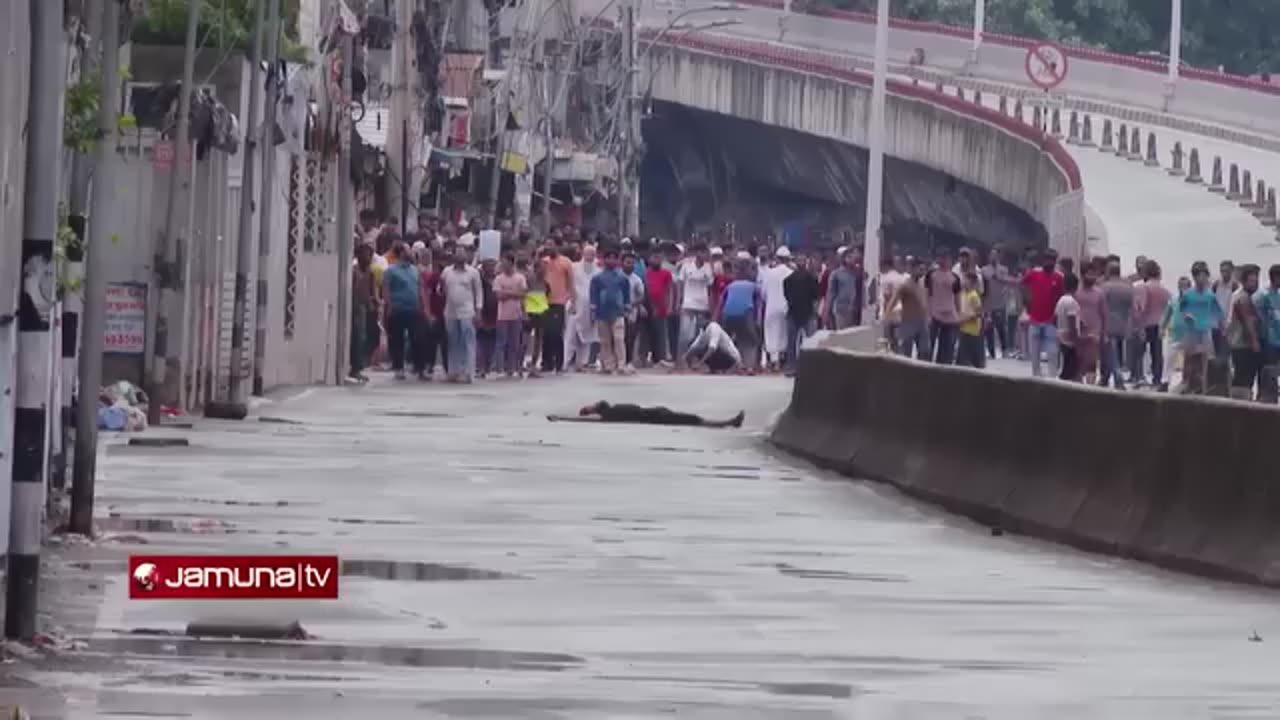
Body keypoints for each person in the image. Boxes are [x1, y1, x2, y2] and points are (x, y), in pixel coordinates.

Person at [1178, 261, 1224, 395]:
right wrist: (1187, 315)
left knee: (1206, 360)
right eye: (1199, 276)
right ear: (1194, 277)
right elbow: (1181, 309)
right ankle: (1187, 383)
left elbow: (1218, 312)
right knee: (1190, 360)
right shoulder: (1188, 294)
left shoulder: (1210, 295)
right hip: (1191, 331)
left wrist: (1222, 327)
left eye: (1204, 276)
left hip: (1205, 331)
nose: (1202, 279)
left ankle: (1203, 386)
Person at [440, 249, 483, 383]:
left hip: (467, 311)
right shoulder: (447, 271)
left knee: (468, 341)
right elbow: (440, 290)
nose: (460, 258)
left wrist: (478, 311)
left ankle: (468, 372)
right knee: (453, 342)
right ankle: (453, 371)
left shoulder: (473, 273)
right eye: (457, 255)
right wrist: (440, 287)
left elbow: (479, 293)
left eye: (462, 256)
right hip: (450, 311)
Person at [548, 400, 745, 428]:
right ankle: (727, 423)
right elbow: (580, 420)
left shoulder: (607, 408)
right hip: (654, 417)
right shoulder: (607, 416)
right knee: (692, 420)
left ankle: (727, 423)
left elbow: (599, 404)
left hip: (655, 412)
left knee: (690, 418)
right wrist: (561, 418)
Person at [382, 242, 421, 380]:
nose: (410, 253)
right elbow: (386, 290)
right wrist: (389, 306)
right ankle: (398, 367)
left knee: (416, 338)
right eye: (407, 250)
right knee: (396, 340)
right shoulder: (390, 271)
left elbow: (419, 288)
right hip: (397, 309)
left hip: (413, 309)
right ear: (401, 253)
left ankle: (417, 366)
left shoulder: (415, 270)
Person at [589, 247, 632, 374]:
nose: (611, 260)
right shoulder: (597, 278)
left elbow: (626, 295)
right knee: (605, 340)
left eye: (614, 258)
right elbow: (593, 295)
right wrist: (593, 310)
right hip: (602, 312)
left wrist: (627, 308)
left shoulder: (622, 278)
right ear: (604, 260)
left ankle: (621, 365)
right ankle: (608, 365)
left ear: (618, 260)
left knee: (619, 339)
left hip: (618, 312)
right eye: (609, 258)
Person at [1022, 251, 1064, 377]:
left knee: (1052, 354)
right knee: (1034, 356)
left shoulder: (1059, 277)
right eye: (1047, 259)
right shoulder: (1035, 273)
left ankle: (1052, 380)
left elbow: (1061, 297)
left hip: (1050, 322)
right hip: (1034, 320)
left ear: (1055, 261)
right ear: (1043, 260)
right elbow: (1022, 284)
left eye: (1052, 260)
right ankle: (1037, 378)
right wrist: (1026, 303)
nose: (1049, 262)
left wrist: (1057, 316)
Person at [1227, 264, 1263, 401]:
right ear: (1244, 281)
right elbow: (1247, 321)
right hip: (1243, 343)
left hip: (1237, 342)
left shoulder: (1239, 295)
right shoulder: (1243, 298)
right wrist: (1255, 341)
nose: (1255, 284)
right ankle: (1241, 404)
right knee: (1244, 376)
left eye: (1256, 280)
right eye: (1252, 281)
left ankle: (1239, 402)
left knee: (1241, 375)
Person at [718, 265, 762, 373]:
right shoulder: (754, 286)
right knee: (752, 340)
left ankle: (730, 366)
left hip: (728, 314)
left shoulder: (730, 285)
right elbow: (759, 304)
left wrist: (717, 318)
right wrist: (758, 320)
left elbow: (721, 301)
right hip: (745, 313)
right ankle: (750, 367)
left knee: (734, 340)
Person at [1134, 260, 1170, 390]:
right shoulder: (1165, 290)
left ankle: (1139, 377)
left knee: (1139, 353)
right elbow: (1168, 309)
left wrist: (1138, 324)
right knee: (1157, 353)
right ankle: (1157, 379)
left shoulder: (1142, 288)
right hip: (1159, 324)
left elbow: (1140, 308)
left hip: (1145, 323)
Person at [783, 253, 821, 376]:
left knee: (810, 342)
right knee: (793, 342)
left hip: (807, 312)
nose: (801, 262)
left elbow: (816, 296)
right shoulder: (788, 279)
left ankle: (809, 367)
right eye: (799, 260)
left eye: (803, 260)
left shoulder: (811, 278)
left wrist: (815, 312)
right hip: (795, 313)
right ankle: (792, 367)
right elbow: (788, 296)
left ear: (806, 262)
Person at [676, 244, 715, 364]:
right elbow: (680, 284)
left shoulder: (708, 268)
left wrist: (711, 307)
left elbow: (710, 289)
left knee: (699, 337)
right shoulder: (686, 267)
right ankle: (680, 361)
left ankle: (695, 360)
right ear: (697, 253)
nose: (704, 255)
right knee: (684, 335)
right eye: (702, 252)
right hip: (688, 304)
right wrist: (678, 301)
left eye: (706, 253)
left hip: (702, 306)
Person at [1099, 260, 1135, 389]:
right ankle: (1105, 377)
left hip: (1109, 323)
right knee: (1114, 352)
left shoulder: (1105, 287)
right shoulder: (1128, 287)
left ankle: (1117, 376)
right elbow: (1132, 307)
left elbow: (1101, 307)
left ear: (1109, 271)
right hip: (1124, 323)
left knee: (1110, 352)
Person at [541, 240, 575, 373]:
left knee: (556, 333)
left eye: (552, 245)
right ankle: (546, 363)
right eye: (547, 245)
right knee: (545, 333)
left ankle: (559, 363)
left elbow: (571, 283)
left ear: (557, 246)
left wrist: (573, 301)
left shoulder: (566, 262)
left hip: (559, 302)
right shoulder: (543, 261)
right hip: (543, 301)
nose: (549, 247)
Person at [566, 244, 601, 370]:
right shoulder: (574, 267)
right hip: (575, 304)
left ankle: (582, 362)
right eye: (587, 253)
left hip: (590, 307)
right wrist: (571, 301)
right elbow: (569, 285)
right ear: (583, 254)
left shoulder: (598, 271)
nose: (589, 256)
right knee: (571, 334)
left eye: (592, 254)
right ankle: (566, 361)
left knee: (587, 336)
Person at [492, 253, 528, 378]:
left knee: (514, 343)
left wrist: (506, 293)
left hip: (516, 314)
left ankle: (511, 368)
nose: (503, 265)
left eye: (506, 263)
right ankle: (500, 368)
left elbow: (523, 294)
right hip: (502, 315)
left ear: (512, 263)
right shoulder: (498, 278)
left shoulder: (520, 278)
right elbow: (498, 296)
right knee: (501, 343)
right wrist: (514, 293)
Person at [761, 247, 794, 371]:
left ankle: (775, 362)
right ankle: (782, 360)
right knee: (783, 333)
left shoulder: (769, 273)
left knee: (771, 333)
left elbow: (763, 293)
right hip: (785, 307)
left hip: (771, 307)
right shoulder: (791, 273)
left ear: (777, 258)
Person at [926, 249, 962, 365]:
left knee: (947, 350)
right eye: (941, 257)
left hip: (950, 317)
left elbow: (957, 298)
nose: (943, 260)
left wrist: (959, 314)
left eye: (946, 258)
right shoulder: (931, 275)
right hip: (934, 315)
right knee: (928, 348)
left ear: (950, 260)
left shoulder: (955, 278)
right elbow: (927, 295)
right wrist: (927, 314)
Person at [890, 258, 931, 359]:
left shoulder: (922, 284)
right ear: (912, 269)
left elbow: (925, 303)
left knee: (924, 352)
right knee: (906, 353)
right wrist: (888, 317)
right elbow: (893, 302)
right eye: (920, 269)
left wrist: (928, 317)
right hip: (908, 322)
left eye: (923, 269)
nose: (922, 271)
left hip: (922, 322)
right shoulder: (905, 285)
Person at [349, 244, 379, 381]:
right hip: (353, 307)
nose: (368, 258)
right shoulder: (353, 271)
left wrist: (373, 303)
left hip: (364, 308)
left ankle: (359, 365)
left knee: (365, 337)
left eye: (370, 255)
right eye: (365, 254)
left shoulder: (370, 272)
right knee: (356, 337)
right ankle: (355, 367)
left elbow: (371, 291)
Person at [1074, 259, 1106, 384]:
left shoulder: (1100, 293)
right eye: (1089, 274)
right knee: (1078, 362)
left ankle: (1090, 388)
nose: (1092, 277)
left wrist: (1104, 333)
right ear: (1082, 275)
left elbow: (1104, 314)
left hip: (1094, 334)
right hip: (1078, 333)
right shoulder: (1076, 292)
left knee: (1091, 364)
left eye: (1094, 274)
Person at [1253, 264, 1280, 403]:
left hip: (1278, 340)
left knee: (1274, 373)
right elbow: (1257, 319)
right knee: (1267, 373)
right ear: (1275, 277)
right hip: (1268, 341)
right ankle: (1266, 400)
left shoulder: (1279, 294)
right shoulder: (1262, 295)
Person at [644, 249, 675, 367]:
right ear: (649, 259)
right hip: (647, 308)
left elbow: (670, 290)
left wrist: (670, 306)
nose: (656, 260)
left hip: (662, 307)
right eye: (654, 257)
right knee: (646, 334)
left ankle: (662, 357)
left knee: (661, 333)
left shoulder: (666, 273)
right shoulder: (646, 273)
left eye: (658, 257)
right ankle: (645, 357)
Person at [981, 249, 1013, 359]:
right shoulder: (984, 270)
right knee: (988, 329)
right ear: (989, 257)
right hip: (988, 304)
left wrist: (998, 277)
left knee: (1001, 328)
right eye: (991, 255)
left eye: (995, 255)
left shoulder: (1004, 269)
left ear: (998, 257)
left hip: (1000, 303)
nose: (993, 257)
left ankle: (1005, 350)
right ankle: (991, 352)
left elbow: (1006, 282)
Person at [825, 248, 864, 330]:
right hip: (841, 310)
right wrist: (827, 312)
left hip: (855, 311)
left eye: (852, 257)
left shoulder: (858, 273)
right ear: (844, 258)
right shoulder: (836, 274)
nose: (852, 259)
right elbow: (831, 294)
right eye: (849, 257)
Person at [954, 269, 985, 368]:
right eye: (963, 279)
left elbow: (979, 313)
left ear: (972, 282)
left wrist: (965, 319)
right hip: (963, 329)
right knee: (962, 358)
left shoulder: (974, 296)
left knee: (973, 358)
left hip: (972, 331)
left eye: (966, 280)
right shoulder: (963, 294)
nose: (963, 282)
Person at [1055, 273, 1082, 381]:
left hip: (1061, 336)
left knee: (1066, 366)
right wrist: (1076, 339)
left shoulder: (1060, 300)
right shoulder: (1072, 302)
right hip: (1070, 339)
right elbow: (1072, 321)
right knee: (1070, 369)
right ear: (1075, 286)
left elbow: (1055, 318)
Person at [622, 252, 646, 371]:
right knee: (617, 338)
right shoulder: (617, 276)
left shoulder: (636, 279)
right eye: (628, 262)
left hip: (631, 312)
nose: (630, 265)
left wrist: (632, 304)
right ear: (622, 263)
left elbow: (641, 296)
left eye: (632, 263)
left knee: (630, 338)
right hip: (617, 312)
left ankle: (628, 361)